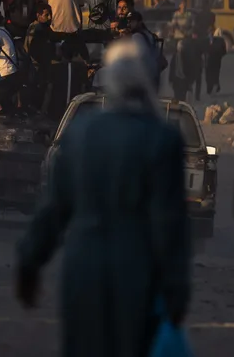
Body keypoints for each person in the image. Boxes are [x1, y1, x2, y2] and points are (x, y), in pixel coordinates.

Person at [17, 40, 191, 356]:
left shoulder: (80, 133)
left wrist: (29, 263)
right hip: (136, 274)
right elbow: (169, 223)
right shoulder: (162, 138)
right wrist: (176, 289)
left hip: (81, 269)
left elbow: (54, 210)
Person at [203, 28, 227, 96]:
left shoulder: (220, 40)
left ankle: (214, 88)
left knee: (213, 75)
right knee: (210, 75)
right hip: (209, 61)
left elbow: (224, 51)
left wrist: (219, 56)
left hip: (214, 60)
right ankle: (211, 89)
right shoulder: (205, 41)